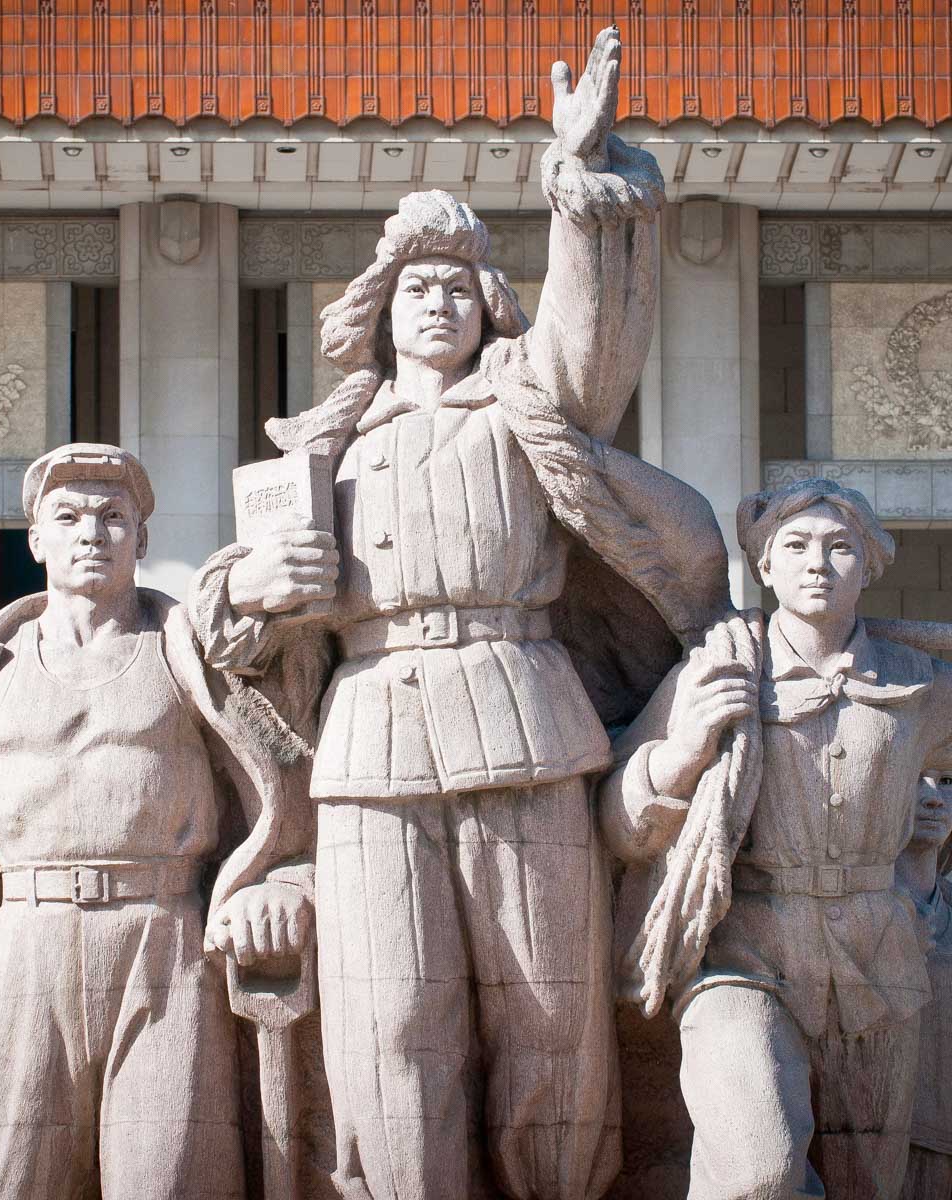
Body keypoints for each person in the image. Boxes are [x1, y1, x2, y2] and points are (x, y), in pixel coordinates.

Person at [188, 27, 729, 1200]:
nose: (435, 303)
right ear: (378, 314)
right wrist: (252, 592)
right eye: (412, 288)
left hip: (523, 720)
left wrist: (577, 187)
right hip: (371, 742)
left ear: (490, 307)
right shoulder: (322, 446)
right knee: (390, 1031)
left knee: (547, 1016)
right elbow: (225, 614)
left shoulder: (531, 405)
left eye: (455, 287)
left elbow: (592, 343)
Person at [599, 477, 952, 1200]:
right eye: (795, 546)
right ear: (763, 567)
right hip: (743, 952)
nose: (816, 563)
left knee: (870, 1185)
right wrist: (686, 749)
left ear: (871, 564)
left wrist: (922, 844)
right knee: (757, 1171)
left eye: (839, 547)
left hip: (880, 962)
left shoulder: (921, 685)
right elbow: (621, 825)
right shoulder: (718, 668)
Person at [0, 443, 314, 1200]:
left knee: (168, 1178)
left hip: (163, 938)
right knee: (15, 1178)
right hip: (23, 942)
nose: (91, 534)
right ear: (34, 538)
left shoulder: (189, 657)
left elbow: (284, 779)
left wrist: (283, 882)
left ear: (143, 540)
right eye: (67, 517)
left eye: (114, 518)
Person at [898, 768, 952, 1200]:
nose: (934, 798)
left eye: (948, 781)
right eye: (917, 778)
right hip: (893, 1142)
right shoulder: (858, 909)